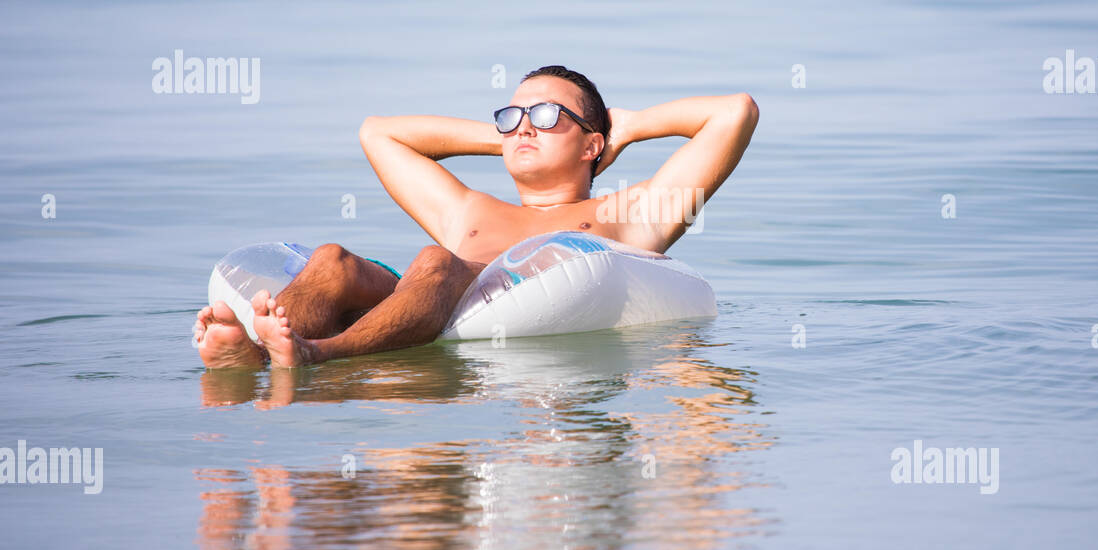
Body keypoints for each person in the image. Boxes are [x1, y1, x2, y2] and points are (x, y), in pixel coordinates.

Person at [194, 65, 759, 367]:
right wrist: (509, 139)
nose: (525, 125)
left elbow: (734, 113)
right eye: (512, 115)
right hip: (422, 302)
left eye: (545, 114)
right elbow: (379, 132)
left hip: (459, 292)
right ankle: (255, 351)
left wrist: (627, 126)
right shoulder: (470, 208)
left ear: (592, 145)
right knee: (334, 261)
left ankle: (314, 356)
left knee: (438, 260)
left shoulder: (630, 212)